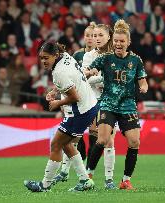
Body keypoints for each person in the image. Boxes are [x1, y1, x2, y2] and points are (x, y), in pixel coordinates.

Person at [24, 41, 98, 192]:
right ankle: (85, 180)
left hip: (80, 110)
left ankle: (45, 185)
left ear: (55, 55)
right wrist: (55, 90)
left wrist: (58, 102)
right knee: (65, 144)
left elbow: (74, 97)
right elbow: (73, 78)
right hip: (90, 104)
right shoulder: (65, 56)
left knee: (56, 144)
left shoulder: (58, 72)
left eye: (46, 57)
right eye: (41, 58)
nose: (43, 61)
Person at [52, 23, 117, 190]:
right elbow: (83, 80)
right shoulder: (87, 56)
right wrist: (100, 78)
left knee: (108, 140)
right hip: (91, 101)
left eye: (99, 35)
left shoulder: (116, 56)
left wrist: (101, 77)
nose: (95, 39)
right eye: (93, 36)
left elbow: (114, 79)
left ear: (109, 36)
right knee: (74, 137)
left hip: (110, 101)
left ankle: (108, 180)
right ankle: (70, 172)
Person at [87, 19, 148, 190]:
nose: (118, 44)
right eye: (116, 41)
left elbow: (143, 81)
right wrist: (88, 72)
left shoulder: (136, 60)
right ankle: (88, 175)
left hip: (128, 105)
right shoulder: (105, 58)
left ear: (128, 42)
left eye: (122, 41)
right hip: (108, 103)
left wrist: (143, 87)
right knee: (103, 139)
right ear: (112, 42)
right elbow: (91, 70)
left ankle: (125, 181)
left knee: (135, 142)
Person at [52, 22, 96, 181]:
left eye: (94, 35)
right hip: (77, 102)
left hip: (93, 100)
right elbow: (69, 80)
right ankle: (66, 171)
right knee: (73, 138)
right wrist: (57, 93)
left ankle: (89, 173)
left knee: (96, 138)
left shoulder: (102, 55)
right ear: (83, 37)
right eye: (88, 35)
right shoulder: (77, 55)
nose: (90, 39)